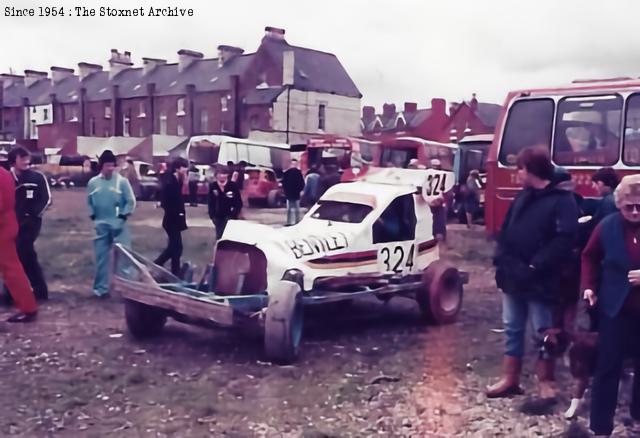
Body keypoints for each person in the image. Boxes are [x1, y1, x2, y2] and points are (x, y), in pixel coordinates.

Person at [487, 147, 579, 399]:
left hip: (542, 278)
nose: (517, 173)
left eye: (520, 168)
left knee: (543, 330)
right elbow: (506, 231)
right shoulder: (522, 198)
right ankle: (511, 379)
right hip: (513, 276)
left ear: (533, 170)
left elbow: (565, 239)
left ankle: (546, 382)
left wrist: (535, 265)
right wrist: (502, 260)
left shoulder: (562, 200)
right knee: (512, 327)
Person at [582, 174, 640, 437]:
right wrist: (590, 287)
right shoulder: (606, 226)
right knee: (608, 366)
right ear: (619, 205)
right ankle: (600, 427)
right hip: (614, 308)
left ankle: (638, 418)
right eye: (630, 207)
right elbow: (589, 257)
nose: (636, 211)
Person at [87, 150, 136, 298]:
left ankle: (126, 290)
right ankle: (101, 289)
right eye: (107, 165)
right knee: (101, 258)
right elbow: (89, 201)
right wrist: (93, 215)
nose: (110, 169)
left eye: (112, 166)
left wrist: (123, 216)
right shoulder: (93, 183)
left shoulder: (122, 182)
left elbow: (131, 201)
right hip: (101, 225)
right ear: (101, 166)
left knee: (124, 258)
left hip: (119, 225)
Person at [7, 146, 51, 301]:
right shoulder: (7, 179)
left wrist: (32, 214)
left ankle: (39, 291)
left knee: (24, 252)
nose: (27, 161)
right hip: (10, 224)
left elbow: (46, 199)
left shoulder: (37, 178)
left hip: (30, 224)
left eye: (27, 158)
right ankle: (12, 293)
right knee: (14, 257)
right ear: (13, 161)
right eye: (22, 158)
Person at [0, 165, 38, 322]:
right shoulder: (5, 173)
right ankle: (28, 307)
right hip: (7, 225)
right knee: (13, 269)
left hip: (2, 227)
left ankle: (28, 308)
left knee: (12, 270)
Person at [154, 158, 189, 276]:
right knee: (175, 247)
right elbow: (168, 200)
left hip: (176, 219)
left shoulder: (176, 179)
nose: (186, 170)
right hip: (171, 220)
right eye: (184, 167)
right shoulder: (170, 181)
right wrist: (177, 213)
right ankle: (157, 263)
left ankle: (175, 271)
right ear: (177, 168)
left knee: (176, 248)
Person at [208, 166, 242, 239]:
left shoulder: (232, 186)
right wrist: (212, 216)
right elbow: (210, 202)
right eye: (219, 174)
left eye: (224, 174)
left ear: (227, 175)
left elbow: (238, 202)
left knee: (230, 238)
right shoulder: (213, 186)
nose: (222, 176)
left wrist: (234, 213)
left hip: (231, 217)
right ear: (216, 175)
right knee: (219, 237)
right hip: (218, 217)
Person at [282, 158, 305, 226]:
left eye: (295, 163)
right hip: (290, 194)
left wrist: (300, 190)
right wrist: (286, 191)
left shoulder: (297, 172)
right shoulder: (287, 173)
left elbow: (301, 183)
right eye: (293, 163)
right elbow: (284, 183)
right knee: (290, 209)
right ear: (291, 164)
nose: (294, 165)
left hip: (295, 193)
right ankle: (290, 222)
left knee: (296, 209)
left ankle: (297, 222)